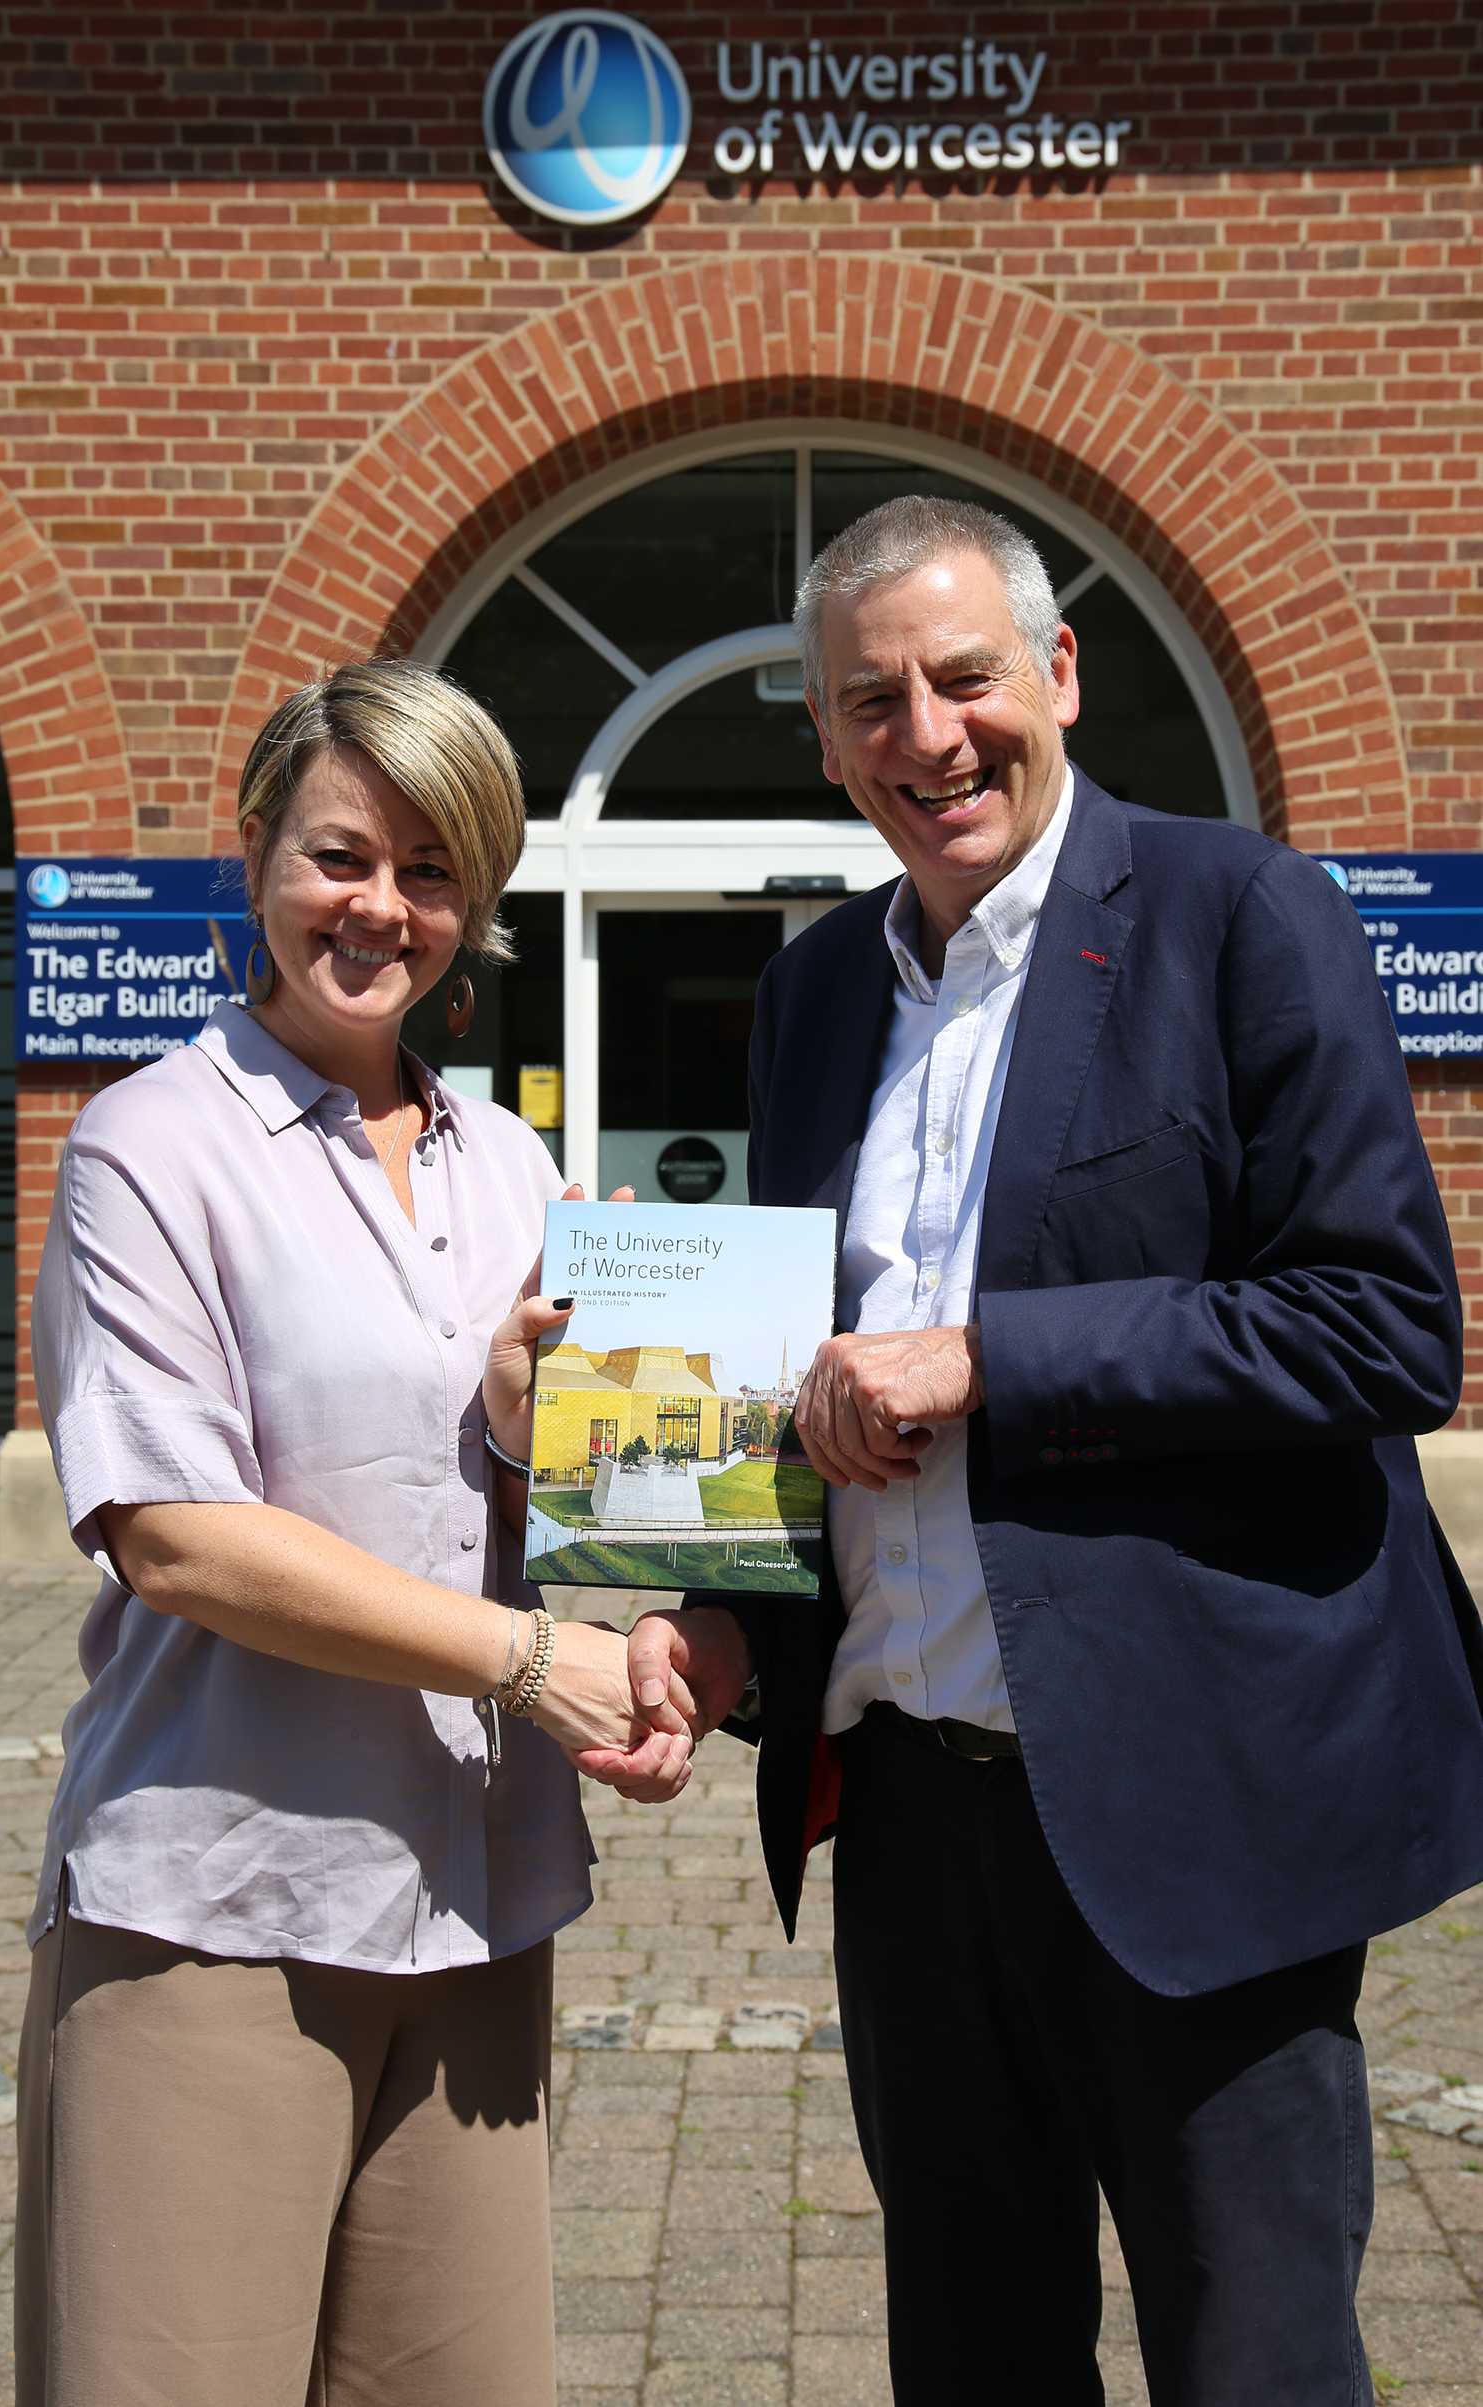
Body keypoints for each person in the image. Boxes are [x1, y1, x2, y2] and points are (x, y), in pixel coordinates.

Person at [584, 497, 1483, 2404]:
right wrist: (720, 1619)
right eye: (872, 701)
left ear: (1058, 674)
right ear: (829, 744)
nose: (929, 736)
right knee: (974, 2361)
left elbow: (1384, 1325)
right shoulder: (817, 991)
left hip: (1194, 1804)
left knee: (1253, 2367)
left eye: (964, 677)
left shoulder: (1243, 916)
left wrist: (993, 1358)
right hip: (913, 1816)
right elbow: (808, 1389)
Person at [16, 658, 699, 2407]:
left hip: (473, 1907)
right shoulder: (149, 1149)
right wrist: (531, 1661)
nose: (381, 906)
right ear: (258, 847)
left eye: (431, 868)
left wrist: (552, 1444)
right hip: (218, 1909)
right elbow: (175, 1535)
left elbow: (545, 1497)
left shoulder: (514, 1167)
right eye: (340, 855)